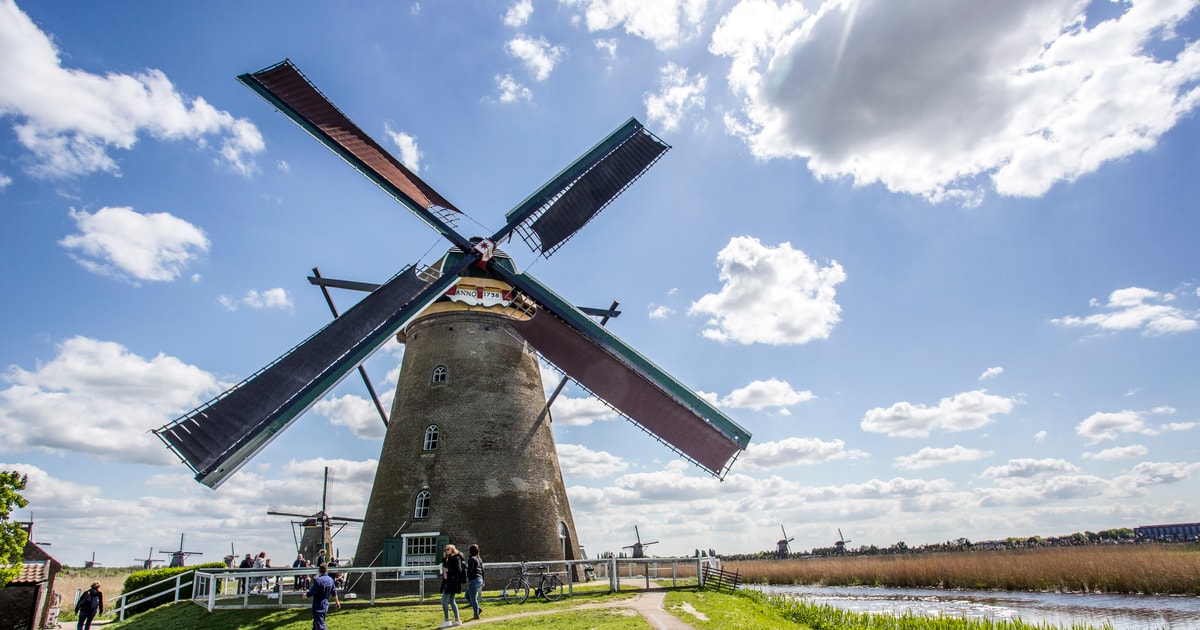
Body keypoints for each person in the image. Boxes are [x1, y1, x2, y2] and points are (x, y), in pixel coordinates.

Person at [303, 562, 341, 630]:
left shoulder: (318, 581)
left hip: (318, 604)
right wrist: (337, 602)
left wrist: (306, 594)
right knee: (317, 623)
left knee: (320, 625)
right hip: (325, 604)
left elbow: (312, 591)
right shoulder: (331, 580)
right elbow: (334, 593)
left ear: (320, 571)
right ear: (327, 570)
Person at [438, 544, 466, 628]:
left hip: (452, 582)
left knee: (443, 600)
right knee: (451, 600)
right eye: (445, 550)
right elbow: (446, 565)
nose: (446, 551)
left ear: (452, 550)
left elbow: (459, 570)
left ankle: (447, 620)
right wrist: (444, 559)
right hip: (450, 581)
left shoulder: (455, 558)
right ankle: (457, 620)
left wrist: (448, 570)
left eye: (448, 549)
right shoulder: (450, 558)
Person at [464, 544, 485, 620]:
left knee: (473, 598)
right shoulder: (479, 559)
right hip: (479, 579)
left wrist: (467, 577)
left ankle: (476, 614)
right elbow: (482, 570)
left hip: (474, 580)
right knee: (467, 596)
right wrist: (483, 580)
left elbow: (470, 570)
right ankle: (478, 608)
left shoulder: (472, 559)